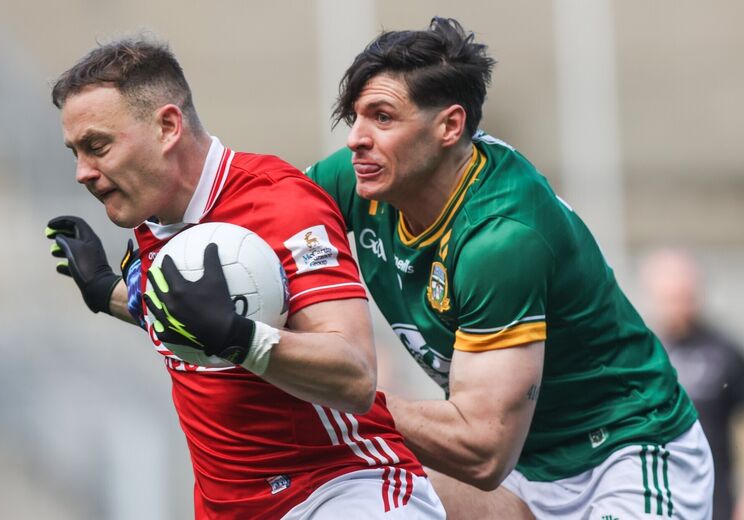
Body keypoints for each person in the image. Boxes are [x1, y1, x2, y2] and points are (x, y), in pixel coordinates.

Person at [305, 17, 715, 519]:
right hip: (521, 466)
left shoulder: (500, 236)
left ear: (449, 127)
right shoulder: (359, 179)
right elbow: (263, 219)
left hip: (621, 454)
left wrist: (335, 388)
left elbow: (482, 451)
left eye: (383, 117)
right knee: (349, 480)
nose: (356, 139)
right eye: (355, 118)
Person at [44, 38, 445, 519]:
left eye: (97, 147)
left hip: (338, 492)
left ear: (168, 126)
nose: (82, 173)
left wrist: (240, 338)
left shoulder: (281, 204)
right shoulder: (151, 221)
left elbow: (356, 373)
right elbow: (196, 317)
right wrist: (106, 291)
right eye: (75, 152)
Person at [642, 248, 744, 520]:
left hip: (715, 499)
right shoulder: (644, 353)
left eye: (684, 296)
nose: (678, 307)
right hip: (657, 499)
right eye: (670, 298)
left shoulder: (725, 351)